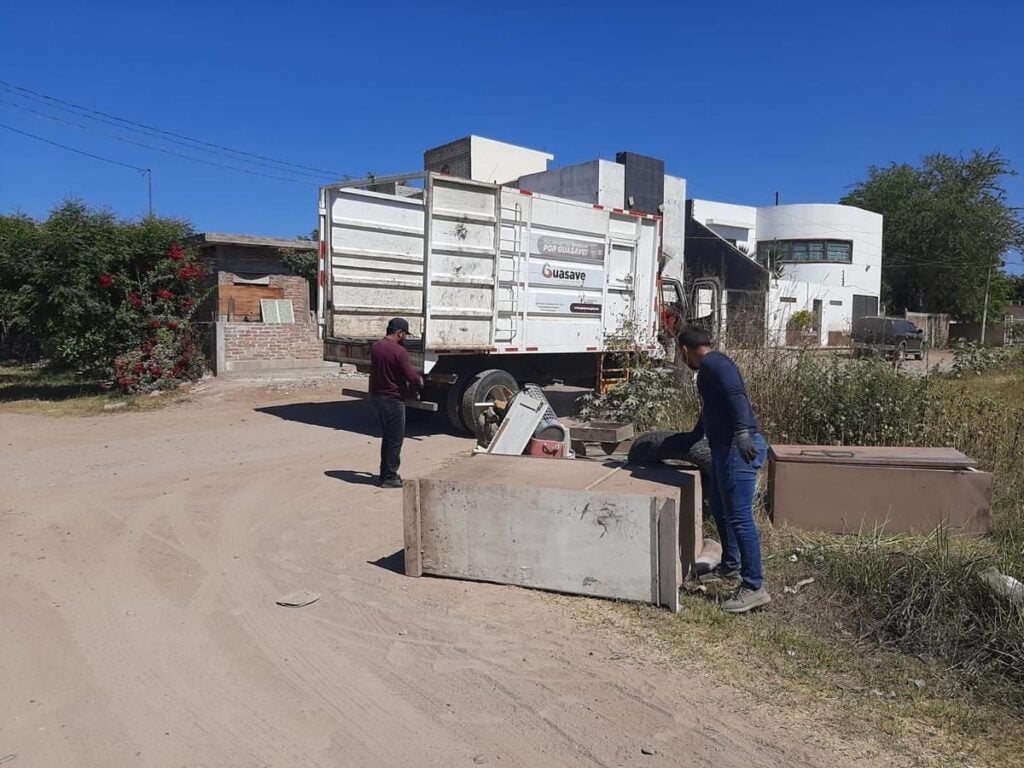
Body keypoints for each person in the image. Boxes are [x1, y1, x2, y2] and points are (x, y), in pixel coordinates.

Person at [677, 327, 771, 613]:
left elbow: (735, 393)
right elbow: (711, 408)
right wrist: (694, 434)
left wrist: (743, 430)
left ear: (685, 350)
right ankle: (731, 565)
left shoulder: (715, 364)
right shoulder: (708, 369)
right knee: (719, 505)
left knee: (740, 517)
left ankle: (754, 586)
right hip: (724, 449)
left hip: (739, 449)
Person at [369, 318, 423, 488]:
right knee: (395, 439)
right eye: (405, 334)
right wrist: (419, 381)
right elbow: (410, 375)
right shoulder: (399, 352)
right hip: (393, 399)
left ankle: (386, 474)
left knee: (388, 437)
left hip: (378, 396)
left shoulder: (377, 346)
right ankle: (389, 477)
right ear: (399, 333)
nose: (405, 338)